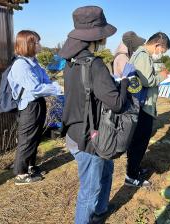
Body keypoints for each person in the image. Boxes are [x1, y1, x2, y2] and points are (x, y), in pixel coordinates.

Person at [59, 6, 129, 224]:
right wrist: (125, 79)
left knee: (106, 168)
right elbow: (117, 104)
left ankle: (101, 210)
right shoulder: (95, 65)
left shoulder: (71, 62)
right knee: (89, 189)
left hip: (74, 130)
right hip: (90, 137)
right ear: (95, 37)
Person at [7, 30, 62, 185]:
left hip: (38, 103)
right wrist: (58, 89)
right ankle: (21, 174)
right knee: (26, 139)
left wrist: (53, 86)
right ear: (28, 44)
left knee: (35, 136)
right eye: (37, 42)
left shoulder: (34, 62)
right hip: (29, 106)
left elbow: (45, 81)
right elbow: (35, 88)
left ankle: (30, 166)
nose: (40, 45)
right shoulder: (21, 65)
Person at [125, 32, 170, 187]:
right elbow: (147, 80)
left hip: (141, 105)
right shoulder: (143, 55)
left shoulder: (140, 54)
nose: (161, 54)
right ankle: (131, 176)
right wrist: (162, 76)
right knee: (139, 142)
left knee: (139, 141)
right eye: (162, 51)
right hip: (143, 107)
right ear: (158, 45)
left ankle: (135, 169)